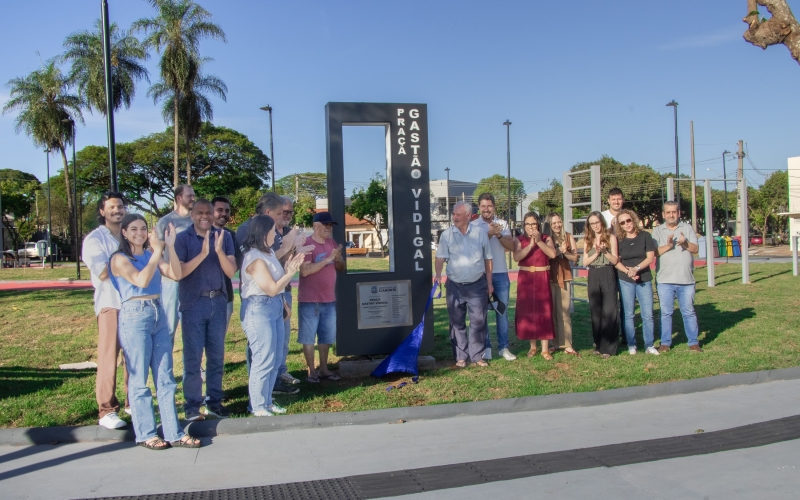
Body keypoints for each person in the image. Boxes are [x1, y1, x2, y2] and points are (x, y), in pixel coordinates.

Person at [109, 214, 200, 450]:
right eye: (134, 229)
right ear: (125, 233)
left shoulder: (151, 255)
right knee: (140, 380)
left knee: (165, 377)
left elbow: (177, 274)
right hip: (135, 314)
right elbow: (141, 280)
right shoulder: (119, 259)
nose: (139, 233)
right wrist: (157, 251)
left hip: (158, 312)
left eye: (143, 229)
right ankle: (146, 434)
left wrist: (169, 247)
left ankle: (174, 432)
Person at [236, 193, 304, 395]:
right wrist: (291, 245)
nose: (277, 232)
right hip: (259, 303)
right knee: (262, 353)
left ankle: (268, 391)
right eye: (279, 214)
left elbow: (278, 265)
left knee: (275, 348)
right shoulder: (251, 241)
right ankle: (259, 398)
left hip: (275, 300)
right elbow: (270, 284)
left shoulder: (267, 249)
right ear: (267, 214)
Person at [175, 199, 237, 421]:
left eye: (209, 213)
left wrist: (218, 251)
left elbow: (231, 272)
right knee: (192, 358)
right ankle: (192, 406)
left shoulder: (225, 237)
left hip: (218, 302)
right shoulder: (183, 239)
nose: (206, 216)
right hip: (193, 304)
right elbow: (179, 272)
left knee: (216, 356)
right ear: (192, 215)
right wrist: (202, 253)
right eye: (200, 213)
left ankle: (214, 402)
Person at [81, 192, 129, 429]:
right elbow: (101, 272)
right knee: (109, 357)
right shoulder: (95, 239)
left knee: (134, 356)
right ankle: (107, 410)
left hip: (133, 304)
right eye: (111, 207)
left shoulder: (131, 233)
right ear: (102, 212)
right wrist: (126, 262)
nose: (117, 210)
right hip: (110, 304)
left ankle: (133, 402)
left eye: (120, 206)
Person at [435, 201, 493, 368]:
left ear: (468, 216)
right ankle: (461, 356)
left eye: (458, 215)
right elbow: (440, 257)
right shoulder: (446, 235)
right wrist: (438, 275)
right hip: (455, 286)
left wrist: (489, 283)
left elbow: (488, 259)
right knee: (456, 322)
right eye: (453, 214)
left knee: (478, 321)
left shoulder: (481, 233)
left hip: (477, 285)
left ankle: (477, 356)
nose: (454, 217)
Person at [298, 211, 345, 382]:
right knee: (308, 337)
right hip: (310, 300)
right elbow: (304, 270)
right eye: (326, 225)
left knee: (326, 336)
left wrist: (338, 259)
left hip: (329, 299)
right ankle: (311, 371)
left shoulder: (331, 243)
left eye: (331, 225)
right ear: (315, 226)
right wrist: (327, 260)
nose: (329, 228)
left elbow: (340, 268)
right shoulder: (307, 245)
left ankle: (324, 369)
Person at [470, 193, 516, 361]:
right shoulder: (474, 225)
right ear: (479, 207)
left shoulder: (502, 224)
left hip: (501, 273)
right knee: (482, 313)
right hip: (480, 274)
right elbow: (474, 248)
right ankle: (486, 347)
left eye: (489, 206)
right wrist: (489, 234)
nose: (486, 209)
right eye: (483, 206)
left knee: (501, 312)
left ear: (494, 207)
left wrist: (498, 234)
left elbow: (511, 247)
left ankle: (503, 347)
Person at [652, 201, 703, 353]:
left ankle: (693, 343)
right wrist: (668, 245)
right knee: (666, 312)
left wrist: (685, 243)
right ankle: (665, 343)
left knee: (688, 311)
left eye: (674, 212)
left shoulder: (686, 228)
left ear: (679, 213)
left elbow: (695, 249)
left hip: (686, 280)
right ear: (663, 214)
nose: (671, 215)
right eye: (668, 212)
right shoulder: (657, 231)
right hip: (665, 280)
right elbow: (654, 252)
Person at [513, 212, 557, 360]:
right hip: (525, 279)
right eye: (527, 224)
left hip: (541, 278)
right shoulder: (519, 239)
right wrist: (530, 244)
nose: (530, 227)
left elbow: (552, 254)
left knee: (543, 311)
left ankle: (545, 349)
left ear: (538, 224)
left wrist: (538, 242)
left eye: (533, 224)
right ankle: (533, 347)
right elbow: (516, 257)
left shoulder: (546, 238)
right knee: (528, 311)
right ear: (524, 225)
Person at [613, 209, 658, 355]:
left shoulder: (645, 236)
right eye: (622, 222)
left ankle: (649, 344)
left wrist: (636, 269)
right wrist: (629, 272)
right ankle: (631, 344)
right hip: (626, 279)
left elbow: (650, 257)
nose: (626, 224)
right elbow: (616, 261)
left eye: (628, 220)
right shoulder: (619, 240)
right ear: (619, 225)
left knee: (648, 314)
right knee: (629, 313)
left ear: (633, 219)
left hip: (644, 278)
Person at [155, 184, 196, 339]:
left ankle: (194, 364)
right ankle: (165, 363)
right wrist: (165, 270)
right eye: (189, 196)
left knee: (192, 328)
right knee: (169, 327)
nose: (193, 199)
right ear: (179, 198)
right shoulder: (165, 221)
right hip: (171, 282)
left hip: (192, 281)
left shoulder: (196, 221)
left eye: (193, 195)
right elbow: (157, 252)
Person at [582, 211, 621, 358]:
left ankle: (609, 347)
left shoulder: (611, 238)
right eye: (592, 223)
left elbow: (615, 260)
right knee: (596, 311)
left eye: (597, 222)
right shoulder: (588, 239)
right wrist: (596, 254)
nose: (595, 226)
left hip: (607, 272)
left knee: (609, 310)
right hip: (593, 273)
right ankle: (598, 344)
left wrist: (605, 252)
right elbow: (585, 262)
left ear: (602, 222)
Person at [544, 212, 580, 356]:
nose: (557, 225)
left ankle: (568, 344)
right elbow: (546, 256)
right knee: (552, 312)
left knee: (564, 312)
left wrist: (564, 252)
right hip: (550, 277)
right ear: (549, 225)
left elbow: (575, 258)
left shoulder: (569, 237)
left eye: (559, 222)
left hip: (564, 276)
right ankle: (555, 343)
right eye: (554, 223)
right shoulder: (546, 238)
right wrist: (558, 250)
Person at [211, 196, 236, 329]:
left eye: (227, 210)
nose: (224, 214)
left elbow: (233, 269)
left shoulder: (231, 235)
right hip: (202, 298)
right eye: (219, 210)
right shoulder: (200, 232)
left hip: (225, 295)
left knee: (219, 340)